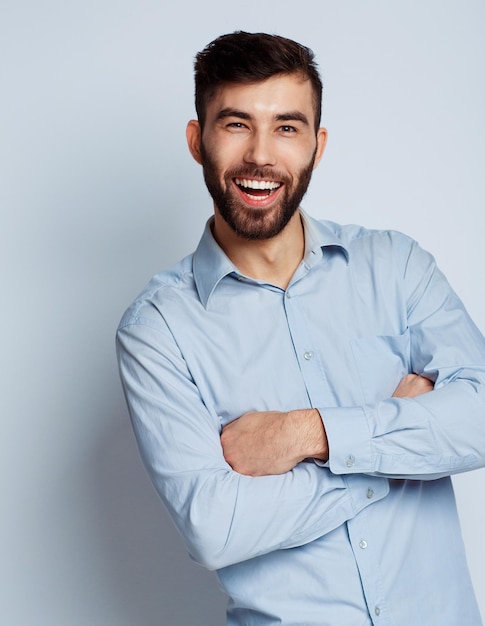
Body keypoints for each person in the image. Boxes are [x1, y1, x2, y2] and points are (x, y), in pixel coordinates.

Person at [116, 31, 485, 626]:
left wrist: (306, 434)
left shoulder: (396, 267)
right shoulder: (158, 330)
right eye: (236, 124)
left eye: (287, 127)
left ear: (318, 143)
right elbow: (215, 528)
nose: (262, 154)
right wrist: (390, 451)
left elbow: (480, 419)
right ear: (196, 140)